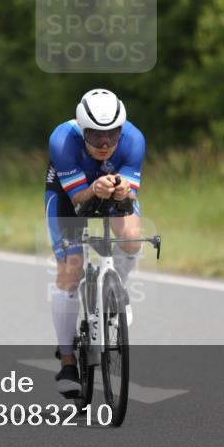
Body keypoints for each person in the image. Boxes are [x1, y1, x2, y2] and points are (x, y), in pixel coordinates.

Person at [44, 89, 145, 396]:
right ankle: (68, 360)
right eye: (96, 135)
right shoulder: (62, 140)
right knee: (71, 271)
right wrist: (93, 189)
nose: (105, 144)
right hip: (68, 197)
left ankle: (118, 291)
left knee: (130, 238)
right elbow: (78, 202)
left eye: (112, 135)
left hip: (110, 192)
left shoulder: (134, 140)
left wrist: (124, 192)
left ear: (122, 130)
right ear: (82, 128)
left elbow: (129, 197)